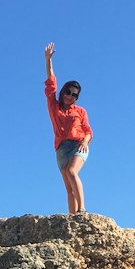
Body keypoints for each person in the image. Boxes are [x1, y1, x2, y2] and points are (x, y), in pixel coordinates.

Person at [43, 42, 93, 214]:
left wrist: (85, 141)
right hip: (61, 149)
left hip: (79, 145)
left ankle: (82, 210)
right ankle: (72, 218)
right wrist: (48, 60)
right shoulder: (54, 106)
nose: (70, 96)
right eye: (68, 92)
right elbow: (50, 85)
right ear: (63, 92)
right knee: (68, 187)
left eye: (74, 95)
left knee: (72, 171)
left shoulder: (80, 111)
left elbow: (88, 130)